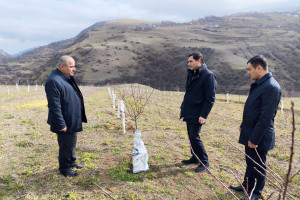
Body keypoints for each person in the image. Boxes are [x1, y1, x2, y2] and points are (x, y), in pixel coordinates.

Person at [229, 55, 281, 200]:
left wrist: (254, 138)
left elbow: (266, 117)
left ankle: (256, 192)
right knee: (250, 162)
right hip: (250, 130)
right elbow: (252, 109)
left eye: (250, 69)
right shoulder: (260, 84)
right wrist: (243, 126)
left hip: (259, 135)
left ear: (259, 68)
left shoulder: (271, 87)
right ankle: (246, 185)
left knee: (258, 165)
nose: (248, 72)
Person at [45, 55, 87, 177]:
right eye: (71, 66)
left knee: (72, 142)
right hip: (64, 121)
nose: (74, 69)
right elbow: (54, 105)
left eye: (74, 66)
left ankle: (71, 161)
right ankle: (65, 168)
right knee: (66, 145)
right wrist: (61, 124)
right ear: (62, 67)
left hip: (71, 118)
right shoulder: (54, 81)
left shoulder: (65, 77)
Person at [180, 52, 217, 172]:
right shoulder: (192, 73)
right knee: (190, 136)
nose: (188, 63)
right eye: (188, 61)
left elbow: (210, 98)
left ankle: (204, 162)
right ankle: (195, 157)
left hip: (198, 112)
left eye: (191, 61)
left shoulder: (208, 76)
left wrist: (203, 115)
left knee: (194, 136)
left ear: (199, 61)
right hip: (189, 110)